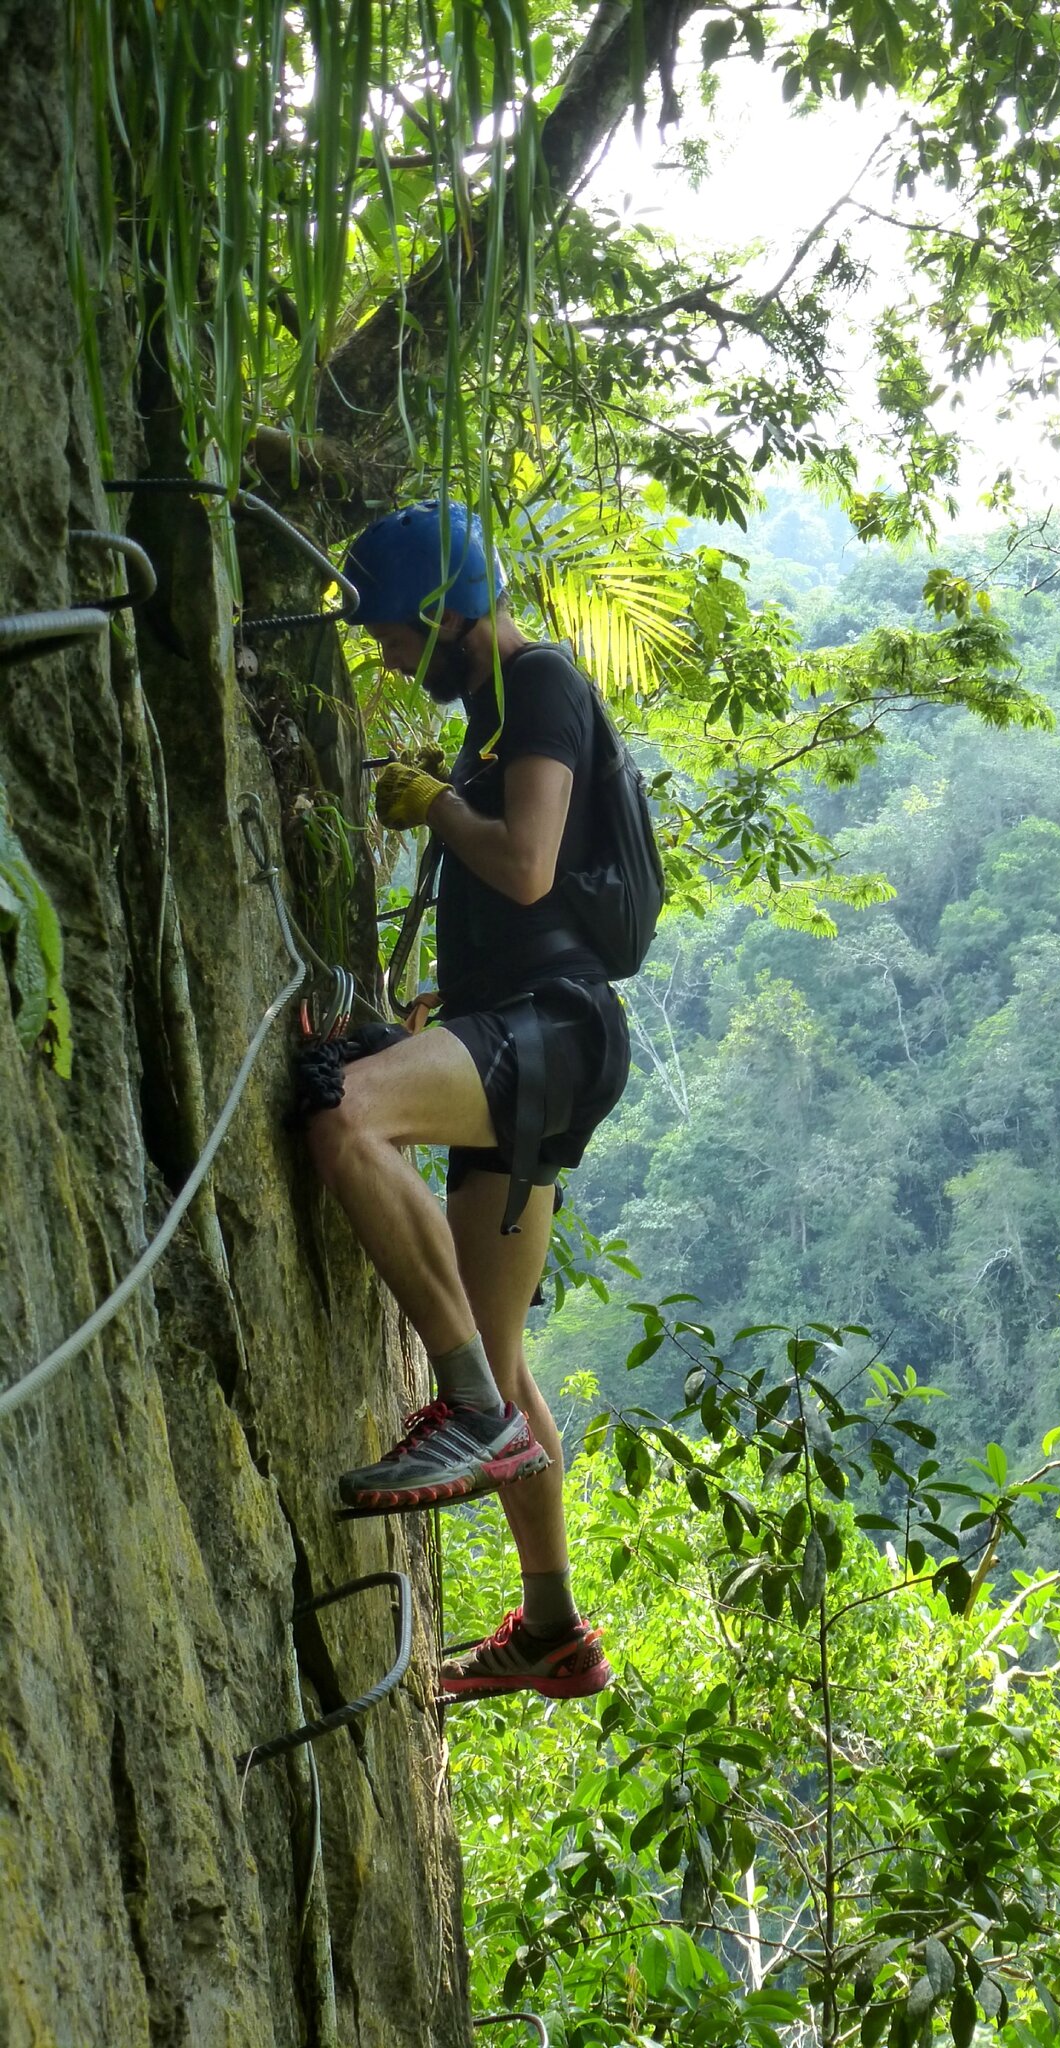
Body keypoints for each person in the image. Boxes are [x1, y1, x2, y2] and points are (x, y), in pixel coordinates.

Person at [304, 500, 632, 1700]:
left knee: (343, 1110)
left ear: (445, 611)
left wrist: (437, 803)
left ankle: (465, 1405)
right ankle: (551, 1626)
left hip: (549, 1029)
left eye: (393, 631)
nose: (389, 655)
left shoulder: (536, 681)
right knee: (502, 1354)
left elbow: (528, 865)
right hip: (534, 1045)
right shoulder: (495, 720)